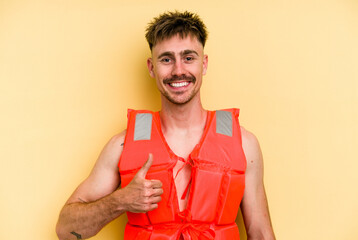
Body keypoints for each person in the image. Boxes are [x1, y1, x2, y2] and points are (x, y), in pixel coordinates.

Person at [56, 11, 275, 240]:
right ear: (151, 68)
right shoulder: (122, 146)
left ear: (204, 64)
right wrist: (120, 200)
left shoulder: (244, 144)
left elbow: (261, 233)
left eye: (188, 58)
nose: (178, 70)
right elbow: (66, 231)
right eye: (166, 59)